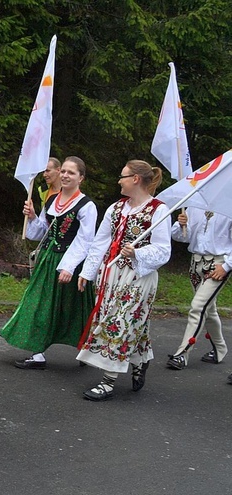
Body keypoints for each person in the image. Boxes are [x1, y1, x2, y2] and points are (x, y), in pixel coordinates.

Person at [77, 160, 171, 401]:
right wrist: (87, 273)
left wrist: (138, 253)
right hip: (111, 275)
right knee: (129, 322)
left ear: (136, 179)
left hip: (140, 275)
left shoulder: (159, 210)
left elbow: (163, 250)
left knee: (120, 322)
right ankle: (141, 360)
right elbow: (100, 242)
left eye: (123, 176)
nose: (119, 181)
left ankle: (108, 381)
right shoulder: (116, 208)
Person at [0, 156, 97, 369]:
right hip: (48, 259)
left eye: (71, 172)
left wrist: (69, 267)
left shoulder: (86, 206)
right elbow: (42, 232)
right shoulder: (53, 200)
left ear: (81, 178)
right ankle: (38, 354)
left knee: (74, 308)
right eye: (63, 171)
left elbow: (85, 240)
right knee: (40, 303)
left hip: (72, 262)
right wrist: (34, 217)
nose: (65, 175)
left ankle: (86, 348)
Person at [166, 207, 231, 370]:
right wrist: (181, 225)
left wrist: (227, 266)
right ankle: (220, 348)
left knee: (198, 307)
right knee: (209, 309)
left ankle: (182, 353)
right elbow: (181, 237)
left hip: (217, 265)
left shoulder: (228, 204)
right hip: (195, 264)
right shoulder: (195, 206)